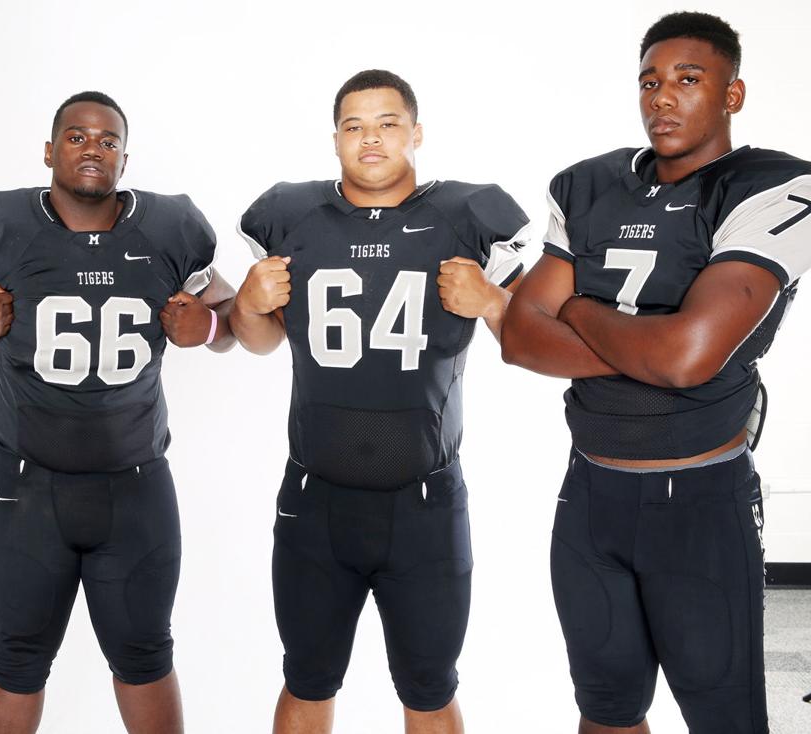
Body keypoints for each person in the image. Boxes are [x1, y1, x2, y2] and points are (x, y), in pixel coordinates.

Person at [502, 12, 811, 733]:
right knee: (606, 710)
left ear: (733, 95)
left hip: (700, 501)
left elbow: (687, 359)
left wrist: (573, 305)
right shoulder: (587, 186)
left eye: (688, 79)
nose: (662, 97)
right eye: (649, 81)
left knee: (723, 717)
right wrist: (649, 341)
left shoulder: (770, 188)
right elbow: (519, 336)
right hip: (589, 497)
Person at [0, 91, 235, 734]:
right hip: (25, 488)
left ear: (124, 156)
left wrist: (203, 328)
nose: (94, 148)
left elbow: (228, 322)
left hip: (137, 485)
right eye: (78, 136)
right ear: (49, 149)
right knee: (16, 656)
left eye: (109, 140)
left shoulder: (171, 227)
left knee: (145, 655)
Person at [230, 69, 530, 733]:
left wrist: (494, 302)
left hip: (425, 503)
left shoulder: (468, 213)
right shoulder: (291, 213)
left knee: (429, 689)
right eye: (354, 126)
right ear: (334, 138)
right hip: (315, 500)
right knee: (306, 680)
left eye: (388, 123)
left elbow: (533, 338)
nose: (371, 138)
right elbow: (256, 342)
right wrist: (249, 307)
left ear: (416, 132)